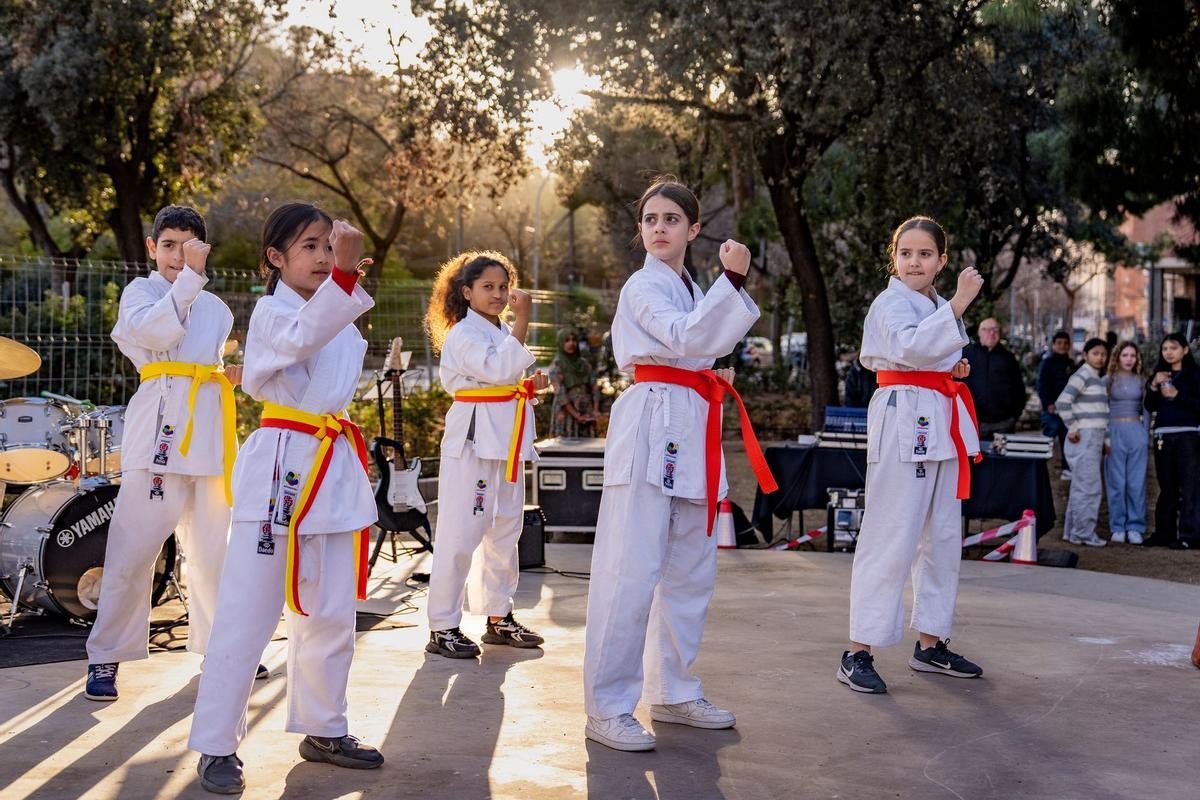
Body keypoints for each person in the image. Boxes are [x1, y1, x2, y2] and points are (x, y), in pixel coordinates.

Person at [188, 205, 384, 793]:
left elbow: (326, 341)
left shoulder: (339, 314)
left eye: (331, 247)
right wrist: (345, 282)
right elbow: (301, 340)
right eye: (311, 247)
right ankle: (217, 744)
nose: (325, 258)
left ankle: (324, 726)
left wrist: (343, 286)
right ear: (276, 258)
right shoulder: (272, 312)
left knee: (329, 613)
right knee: (249, 614)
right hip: (282, 466)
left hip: (333, 467)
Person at [582, 177, 776, 751]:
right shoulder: (644, 286)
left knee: (690, 569)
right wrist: (733, 281)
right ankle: (608, 705)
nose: (659, 228)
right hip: (651, 421)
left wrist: (709, 372)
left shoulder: (687, 287)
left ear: (693, 229)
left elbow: (697, 344)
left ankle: (673, 690)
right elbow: (684, 336)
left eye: (671, 219)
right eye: (650, 219)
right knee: (631, 568)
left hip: (691, 422)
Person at [84, 205, 255, 701]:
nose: (178, 256)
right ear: (153, 248)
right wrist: (189, 282)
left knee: (214, 551)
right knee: (132, 550)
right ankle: (106, 656)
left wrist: (233, 376)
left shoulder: (218, 308)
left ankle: (221, 648)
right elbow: (158, 335)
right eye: (168, 246)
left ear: (203, 247)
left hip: (210, 433)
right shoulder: (141, 292)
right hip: (158, 430)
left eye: (189, 246)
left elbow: (204, 362)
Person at [837, 215, 985, 696]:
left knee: (941, 537)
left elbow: (933, 353)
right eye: (905, 253)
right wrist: (961, 305)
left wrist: (953, 367)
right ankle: (858, 651)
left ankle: (930, 642)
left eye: (925, 254)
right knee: (891, 534)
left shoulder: (937, 303)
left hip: (940, 416)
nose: (914, 262)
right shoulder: (890, 302)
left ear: (941, 260)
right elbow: (908, 347)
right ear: (893, 258)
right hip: (904, 417)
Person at [423, 251, 548, 659]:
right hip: (475, 443)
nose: (497, 295)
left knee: (507, 531)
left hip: (507, 442)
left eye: (502, 287)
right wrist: (524, 323)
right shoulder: (464, 333)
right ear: (467, 292)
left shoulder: (500, 331)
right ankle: (443, 625)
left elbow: (504, 375)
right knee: (461, 532)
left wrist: (531, 386)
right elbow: (495, 372)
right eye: (488, 287)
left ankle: (499, 616)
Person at [1144, 333, 1200, 549]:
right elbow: (1149, 406)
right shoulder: (1159, 375)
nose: (1168, 352)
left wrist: (1178, 396)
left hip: (1189, 435)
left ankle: (1189, 535)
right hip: (1163, 436)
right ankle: (1164, 533)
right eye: (1165, 348)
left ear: (1185, 350)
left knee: (1190, 487)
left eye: (1173, 348)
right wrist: (1153, 387)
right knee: (1166, 486)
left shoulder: (1195, 375)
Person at [1056, 338, 1111, 547]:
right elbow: (1062, 402)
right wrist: (1073, 427)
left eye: (1103, 354)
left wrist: (1106, 439)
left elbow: (1102, 414)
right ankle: (1083, 533)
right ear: (1086, 355)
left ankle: (1073, 532)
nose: (1100, 357)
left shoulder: (1097, 378)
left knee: (1082, 486)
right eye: (1096, 353)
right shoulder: (1083, 375)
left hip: (1094, 437)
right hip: (1084, 437)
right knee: (1089, 487)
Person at [1105, 341, 1148, 545]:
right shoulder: (1107, 380)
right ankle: (1118, 526)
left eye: (1132, 355)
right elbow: (1101, 407)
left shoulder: (1142, 380)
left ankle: (1135, 526)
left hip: (1136, 431)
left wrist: (1145, 433)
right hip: (1113, 431)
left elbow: (1147, 408)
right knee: (1116, 482)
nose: (1129, 359)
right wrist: (1104, 435)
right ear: (1117, 357)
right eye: (1125, 355)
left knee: (1136, 482)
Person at [961, 318, 1027, 437]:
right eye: (986, 329)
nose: (991, 333)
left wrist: (1015, 415)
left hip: (1004, 423)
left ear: (1000, 333)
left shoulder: (1008, 358)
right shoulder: (968, 355)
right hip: (973, 422)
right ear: (979, 333)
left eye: (995, 329)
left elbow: (1019, 388)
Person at [1037, 331, 1075, 478]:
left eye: (1065, 343)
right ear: (1053, 345)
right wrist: (1048, 404)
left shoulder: (1071, 364)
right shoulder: (1047, 362)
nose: (1062, 346)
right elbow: (1042, 385)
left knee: (1067, 440)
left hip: (1068, 410)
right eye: (1059, 343)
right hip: (1051, 409)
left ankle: (1067, 469)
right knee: (1047, 438)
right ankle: (1039, 464)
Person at [549, 329, 601, 437]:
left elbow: (595, 387)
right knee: (566, 449)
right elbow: (561, 395)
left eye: (574, 340)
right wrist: (576, 415)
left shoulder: (584, 364)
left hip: (585, 410)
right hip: (566, 412)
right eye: (566, 340)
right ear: (560, 343)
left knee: (588, 449)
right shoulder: (556, 366)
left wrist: (595, 411)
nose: (571, 343)